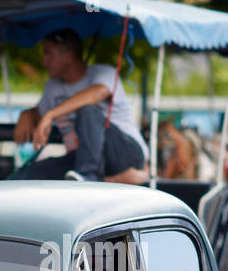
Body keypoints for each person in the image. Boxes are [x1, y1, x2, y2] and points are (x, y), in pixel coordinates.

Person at [13, 28, 148, 183]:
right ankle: (91, 178)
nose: (44, 62)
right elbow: (40, 113)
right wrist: (27, 114)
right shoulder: (53, 87)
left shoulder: (104, 72)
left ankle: (88, 178)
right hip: (80, 158)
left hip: (124, 153)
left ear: (68, 55)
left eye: (48, 54)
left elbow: (96, 94)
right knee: (31, 174)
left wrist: (51, 115)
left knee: (87, 110)